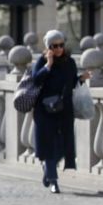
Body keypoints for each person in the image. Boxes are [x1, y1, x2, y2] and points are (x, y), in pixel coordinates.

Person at [31, 29, 91, 194]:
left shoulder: (69, 62)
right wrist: (48, 66)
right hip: (44, 110)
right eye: (54, 46)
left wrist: (81, 78)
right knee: (49, 145)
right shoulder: (42, 61)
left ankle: (47, 170)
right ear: (48, 47)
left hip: (64, 110)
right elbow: (35, 80)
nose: (58, 49)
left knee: (64, 146)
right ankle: (53, 180)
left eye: (61, 45)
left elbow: (70, 83)